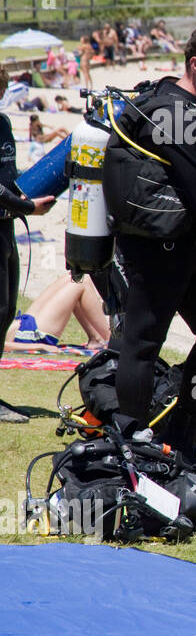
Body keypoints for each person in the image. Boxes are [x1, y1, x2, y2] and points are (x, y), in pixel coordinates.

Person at [105, 27, 196, 462]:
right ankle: (129, 439)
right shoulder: (176, 111)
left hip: (182, 245)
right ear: (195, 65)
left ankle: (181, 432)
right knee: (144, 341)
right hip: (157, 246)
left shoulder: (177, 103)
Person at [0, 67, 57, 423]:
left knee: (6, 311)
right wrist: (26, 207)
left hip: (5, 228)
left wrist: (29, 190)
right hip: (9, 217)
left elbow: (9, 176)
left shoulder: (3, 123)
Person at [6, 273, 110, 352]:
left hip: (24, 324)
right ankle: (111, 338)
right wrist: (41, 347)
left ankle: (97, 339)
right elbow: (3, 346)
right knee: (81, 282)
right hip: (28, 336)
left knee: (75, 276)